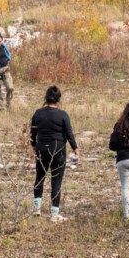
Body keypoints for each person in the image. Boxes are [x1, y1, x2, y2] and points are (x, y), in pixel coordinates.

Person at [29, 86, 79, 223]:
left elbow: (32, 134)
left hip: (41, 149)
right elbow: (69, 134)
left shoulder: (37, 113)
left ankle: (37, 208)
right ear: (59, 99)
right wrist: (76, 149)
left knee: (40, 177)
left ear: (46, 97)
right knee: (56, 181)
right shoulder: (63, 115)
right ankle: (54, 213)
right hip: (58, 150)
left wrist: (34, 148)